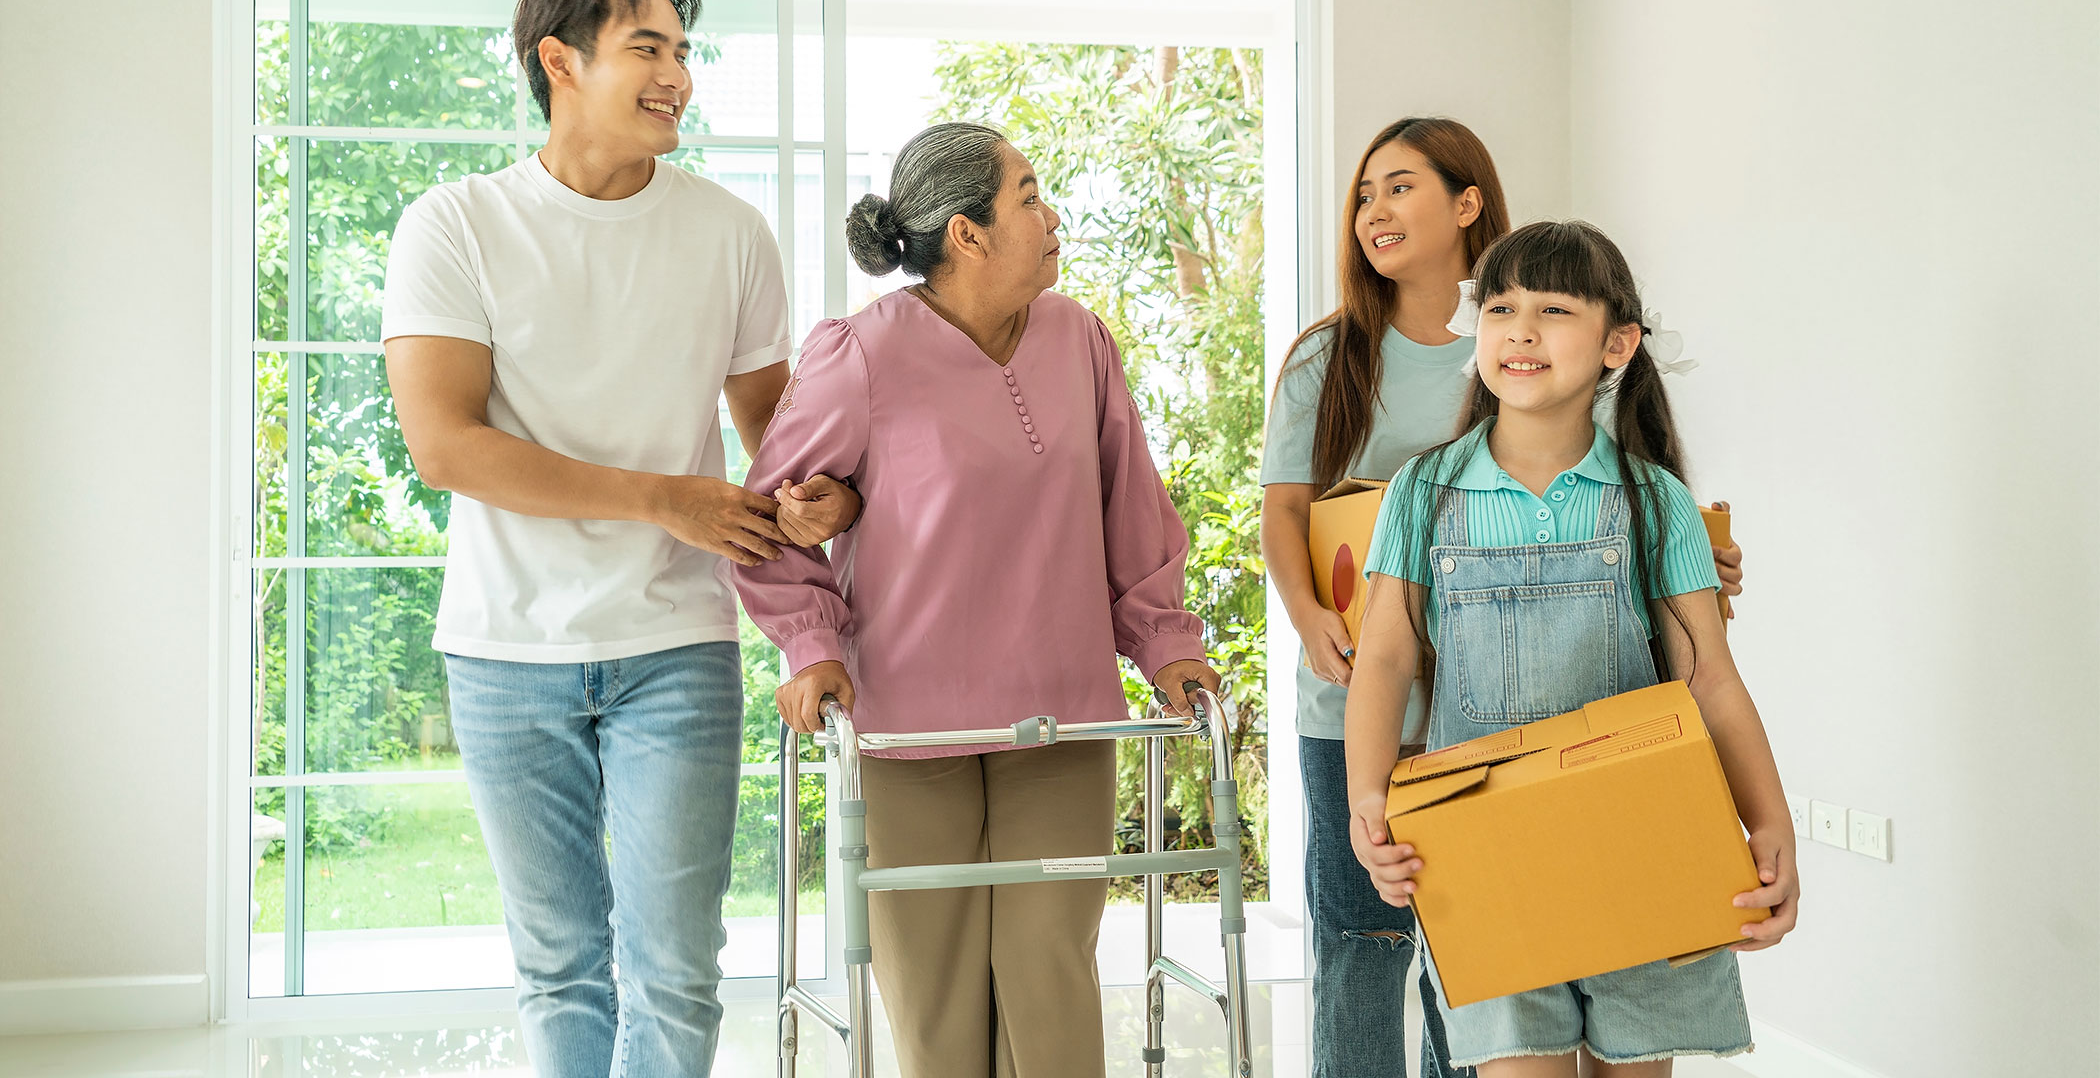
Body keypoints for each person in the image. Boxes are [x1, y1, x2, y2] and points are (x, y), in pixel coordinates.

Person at [381, 0, 855, 1077]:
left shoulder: (730, 233)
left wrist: (817, 498)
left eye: (684, 51)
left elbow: (775, 442)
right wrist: (664, 500)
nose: (677, 76)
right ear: (560, 61)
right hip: (505, 651)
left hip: (674, 648)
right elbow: (446, 446)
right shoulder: (455, 225)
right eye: (647, 47)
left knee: (678, 972)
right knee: (560, 969)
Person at [734, 121, 1224, 1078]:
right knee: (935, 999)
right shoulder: (859, 354)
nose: (1052, 217)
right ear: (967, 234)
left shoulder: (1078, 337)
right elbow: (770, 513)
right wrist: (810, 644)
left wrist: (1165, 641)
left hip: (1063, 723)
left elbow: (1130, 507)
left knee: (1051, 979)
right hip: (910, 730)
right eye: (1030, 197)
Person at [1261, 118, 1746, 1077]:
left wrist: (1699, 565)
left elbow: (1630, 505)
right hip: (1372, 689)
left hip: (1567, 730)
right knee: (1375, 934)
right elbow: (1287, 515)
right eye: (1363, 194)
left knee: (1530, 962)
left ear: (1466, 200)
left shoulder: (1568, 375)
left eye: (1398, 186)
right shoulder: (1337, 361)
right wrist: (1314, 621)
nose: (1373, 211)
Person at [1343, 221, 1800, 1076]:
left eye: (1554, 309)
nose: (1520, 329)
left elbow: (1713, 683)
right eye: (1502, 306)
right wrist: (1367, 796)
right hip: (1485, 858)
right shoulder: (1422, 492)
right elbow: (1386, 660)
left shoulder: (1654, 501)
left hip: (1645, 844)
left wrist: (1770, 823)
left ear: (1617, 343)